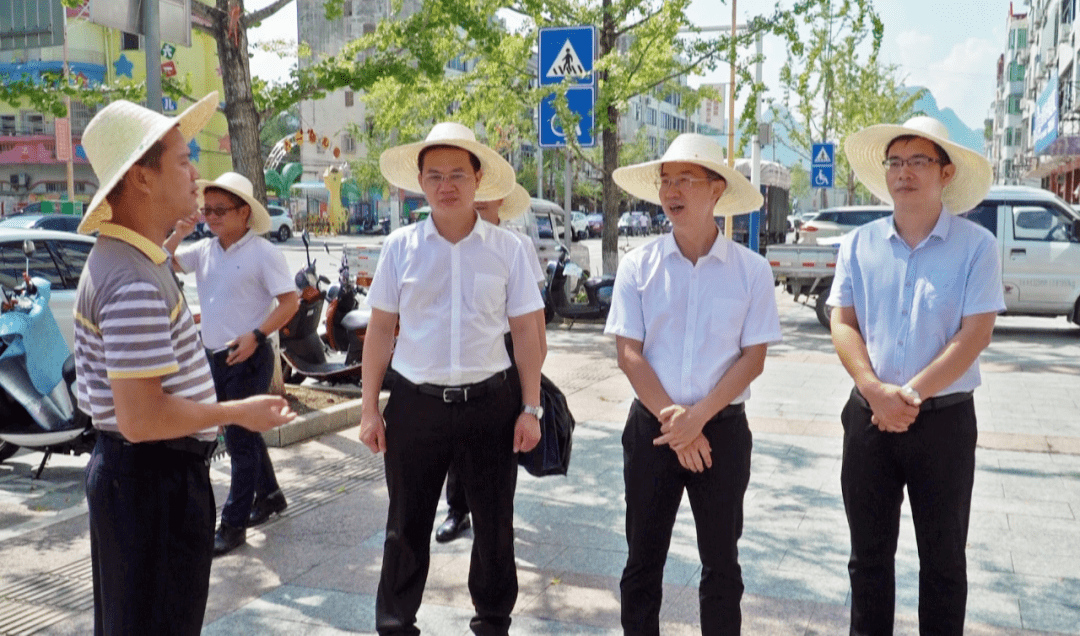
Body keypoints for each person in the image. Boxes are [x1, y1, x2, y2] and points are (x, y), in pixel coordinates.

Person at [73, 94, 296, 636]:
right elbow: (142, 418)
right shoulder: (131, 279)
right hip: (151, 481)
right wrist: (239, 411)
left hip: (145, 479)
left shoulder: (132, 259)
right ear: (142, 177)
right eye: (181, 159)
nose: (194, 173)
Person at [359, 122, 545, 636]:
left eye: (458, 174)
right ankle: (396, 623)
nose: (447, 185)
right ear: (419, 182)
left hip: (492, 405)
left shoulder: (506, 250)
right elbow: (381, 330)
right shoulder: (400, 247)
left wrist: (531, 407)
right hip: (416, 406)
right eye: (435, 175)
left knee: (494, 526)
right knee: (406, 525)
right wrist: (369, 407)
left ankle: (491, 620)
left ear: (478, 178)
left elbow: (529, 333)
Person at [828, 116, 1004, 635]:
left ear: (946, 173)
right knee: (868, 560)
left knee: (944, 562)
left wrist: (906, 394)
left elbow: (975, 333)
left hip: (943, 425)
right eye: (895, 162)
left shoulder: (976, 247)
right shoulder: (858, 245)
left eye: (918, 161)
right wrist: (872, 388)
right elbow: (843, 322)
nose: (904, 173)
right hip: (868, 421)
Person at [604, 133, 782, 635]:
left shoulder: (751, 271)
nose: (671, 190)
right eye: (665, 180)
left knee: (722, 565)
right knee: (642, 563)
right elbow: (629, 354)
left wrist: (697, 419)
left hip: (720, 434)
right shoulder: (640, 265)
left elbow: (754, 358)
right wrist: (675, 423)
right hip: (651, 429)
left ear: (717, 189)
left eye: (686, 179)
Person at [164, 172, 301, 556]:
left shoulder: (263, 253)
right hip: (214, 357)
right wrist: (178, 230)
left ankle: (233, 526)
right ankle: (270, 494)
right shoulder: (205, 250)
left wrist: (256, 335)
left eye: (220, 210)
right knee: (243, 433)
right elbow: (164, 260)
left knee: (239, 443)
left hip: (250, 357)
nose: (212, 217)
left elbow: (290, 302)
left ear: (245, 213)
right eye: (207, 210)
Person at [435, 185, 547, 543]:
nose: (481, 198)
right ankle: (457, 509)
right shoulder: (448, 243)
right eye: (476, 192)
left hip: (508, 354)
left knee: (502, 442)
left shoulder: (517, 246)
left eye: (489, 193)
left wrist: (536, 369)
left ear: (503, 200)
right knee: (454, 437)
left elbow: (534, 315)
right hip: (459, 354)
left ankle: (497, 513)